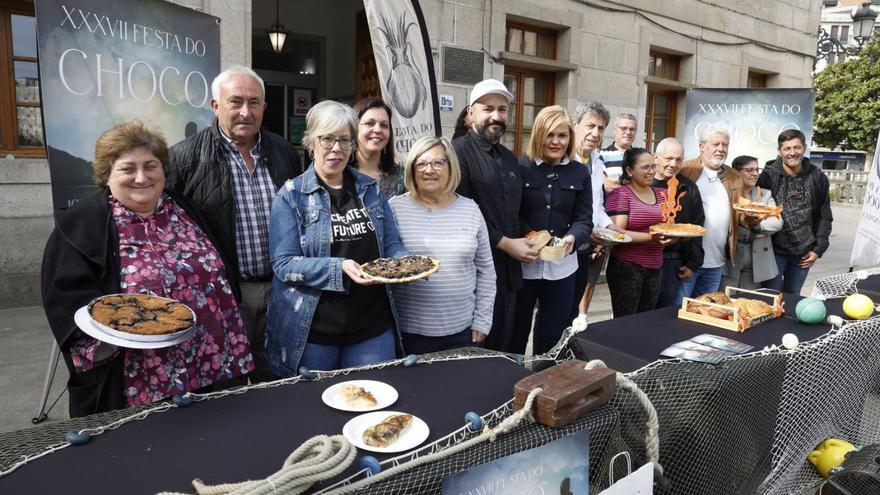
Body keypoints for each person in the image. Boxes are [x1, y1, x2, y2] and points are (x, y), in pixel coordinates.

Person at [42, 121, 253, 417]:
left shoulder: (187, 210)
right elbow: (66, 299)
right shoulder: (80, 225)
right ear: (106, 175)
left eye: (150, 166)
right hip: (141, 380)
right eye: (128, 169)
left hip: (214, 364)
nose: (141, 177)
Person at [168, 66, 302, 381]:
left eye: (254, 102)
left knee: (278, 377)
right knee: (228, 382)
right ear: (216, 106)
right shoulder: (184, 158)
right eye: (236, 102)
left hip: (282, 291)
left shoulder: (283, 150)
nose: (246, 111)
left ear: (264, 107)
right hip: (225, 295)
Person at [265, 100, 408, 374]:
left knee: (373, 408)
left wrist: (405, 265)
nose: (336, 149)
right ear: (311, 143)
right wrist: (337, 267)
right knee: (317, 413)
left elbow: (391, 245)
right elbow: (284, 264)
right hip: (315, 333)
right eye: (327, 139)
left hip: (372, 329)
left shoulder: (371, 191)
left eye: (344, 140)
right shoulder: (291, 196)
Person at [389, 136, 496, 354]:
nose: (430, 170)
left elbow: (486, 270)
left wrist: (483, 320)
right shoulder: (395, 208)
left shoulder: (470, 209)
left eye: (438, 162)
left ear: (450, 167)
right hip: (410, 333)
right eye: (421, 163)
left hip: (463, 332)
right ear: (411, 169)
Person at [454, 79, 537, 353]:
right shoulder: (456, 153)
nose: (496, 116)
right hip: (474, 276)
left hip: (510, 275)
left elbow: (513, 212)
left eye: (502, 109)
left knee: (506, 347)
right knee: (475, 352)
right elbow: (460, 217)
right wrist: (504, 242)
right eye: (488, 108)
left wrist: (530, 235)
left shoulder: (509, 158)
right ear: (470, 113)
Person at [512, 106, 592, 355]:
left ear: (570, 138)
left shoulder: (579, 171)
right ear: (538, 135)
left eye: (562, 135)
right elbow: (511, 213)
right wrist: (530, 236)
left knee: (551, 339)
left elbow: (584, 218)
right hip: (524, 267)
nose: (556, 142)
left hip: (562, 269)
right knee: (515, 333)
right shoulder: (520, 166)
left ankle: (543, 386)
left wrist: (573, 238)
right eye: (550, 135)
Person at [757, 129, 832, 294]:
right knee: (769, 297)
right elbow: (758, 210)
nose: (792, 153)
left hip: (803, 254)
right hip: (774, 252)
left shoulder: (817, 177)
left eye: (797, 147)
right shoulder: (768, 176)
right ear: (780, 151)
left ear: (804, 147)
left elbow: (824, 216)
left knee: (793, 298)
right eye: (787, 148)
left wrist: (818, 249)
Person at [568, 101, 621, 328]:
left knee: (573, 308)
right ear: (574, 124)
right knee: (557, 308)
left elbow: (596, 205)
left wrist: (611, 227)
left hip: (587, 246)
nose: (595, 133)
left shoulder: (597, 160)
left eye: (600, 128)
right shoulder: (565, 160)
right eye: (590, 126)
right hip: (566, 245)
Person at [604, 148, 670, 316]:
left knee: (646, 320)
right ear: (629, 170)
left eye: (654, 166)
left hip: (656, 266)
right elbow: (617, 235)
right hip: (627, 267)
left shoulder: (663, 194)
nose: (652, 171)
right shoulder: (620, 194)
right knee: (625, 321)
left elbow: (670, 227)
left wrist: (672, 238)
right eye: (645, 167)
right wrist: (651, 237)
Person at [679, 126, 743, 299]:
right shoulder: (685, 170)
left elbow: (740, 214)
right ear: (701, 146)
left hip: (716, 262)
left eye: (725, 145)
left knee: (704, 313)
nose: (721, 149)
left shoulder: (734, 176)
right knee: (675, 311)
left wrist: (752, 218)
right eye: (716, 144)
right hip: (686, 261)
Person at [651, 138, 705, 308]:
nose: (673, 164)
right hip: (641, 257)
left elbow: (697, 226)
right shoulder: (643, 183)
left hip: (672, 260)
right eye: (668, 158)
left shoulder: (688, 188)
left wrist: (692, 263)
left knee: (664, 314)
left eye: (679, 159)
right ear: (656, 158)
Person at [721, 155, 782, 289]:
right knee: (726, 300)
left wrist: (757, 227)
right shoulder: (727, 193)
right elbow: (723, 223)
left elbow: (777, 222)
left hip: (756, 263)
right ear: (737, 172)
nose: (755, 174)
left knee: (748, 302)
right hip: (730, 260)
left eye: (757, 170)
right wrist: (748, 234)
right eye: (749, 170)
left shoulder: (765, 194)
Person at [352, 97, 405, 197]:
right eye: (369, 123)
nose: (377, 130)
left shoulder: (401, 176)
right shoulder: (341, 174)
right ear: (354, 129)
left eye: (384, 125)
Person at [600, 113, 638, 192]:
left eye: (632, 129)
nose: (628, 132)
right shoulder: (601, 155)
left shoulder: (640, 156)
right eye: (624, 128)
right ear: (614, 130)